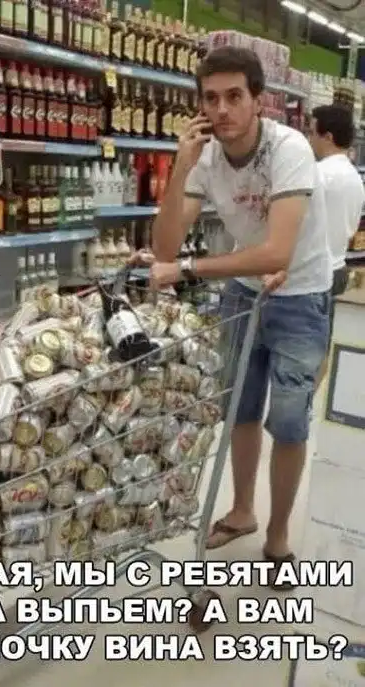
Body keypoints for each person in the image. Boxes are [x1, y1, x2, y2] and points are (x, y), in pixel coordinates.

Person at [133, 46, 332, 589]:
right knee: (240, 410)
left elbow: (277, 253)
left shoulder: (289, 148)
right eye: (211, 98)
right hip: (243, 293)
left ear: (257, 100)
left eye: (234, 96)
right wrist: (181, 167)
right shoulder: (207, 158)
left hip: (301, 295)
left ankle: (278, 536)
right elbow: (164, 245)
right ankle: (242, 511)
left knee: (288, 423)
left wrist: (189, 268)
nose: (221, 110)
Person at [308, 104, 364, 388]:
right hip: (337, 267)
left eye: (311, 132)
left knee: (299, 350)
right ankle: (310, 401)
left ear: (327, 137)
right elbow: (352, 227)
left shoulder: (317, 174)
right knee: (322, 347)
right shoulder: (356, 178)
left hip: (311, 274)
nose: (309, 139)